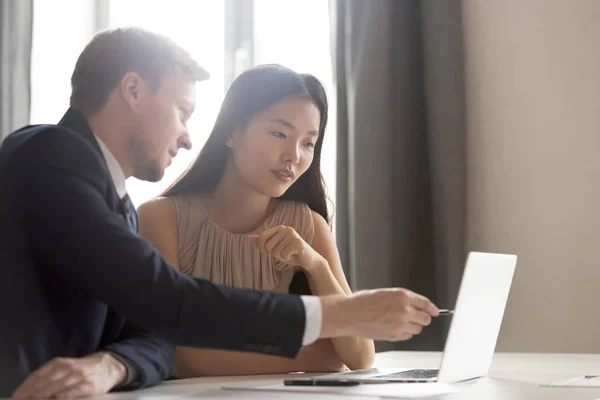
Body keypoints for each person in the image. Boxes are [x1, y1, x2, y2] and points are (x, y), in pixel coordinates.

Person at [0, 27, 439, 399]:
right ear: (132, 89)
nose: (188, 138)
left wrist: (111, 365)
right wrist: (340, 315)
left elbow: (150, 334)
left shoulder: (119, 206)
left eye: (308, 142)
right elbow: (173, 305)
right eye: (182, 112)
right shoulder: (49, 155)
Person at [137, 64, 375, 377]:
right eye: (279, 133)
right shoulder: (161, 218)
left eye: (307, 143)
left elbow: (359, 356)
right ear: (232, 132)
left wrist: (315, 265)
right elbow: (185, 356)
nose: (294, 156)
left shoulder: (308, 225)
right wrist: (317, 357)